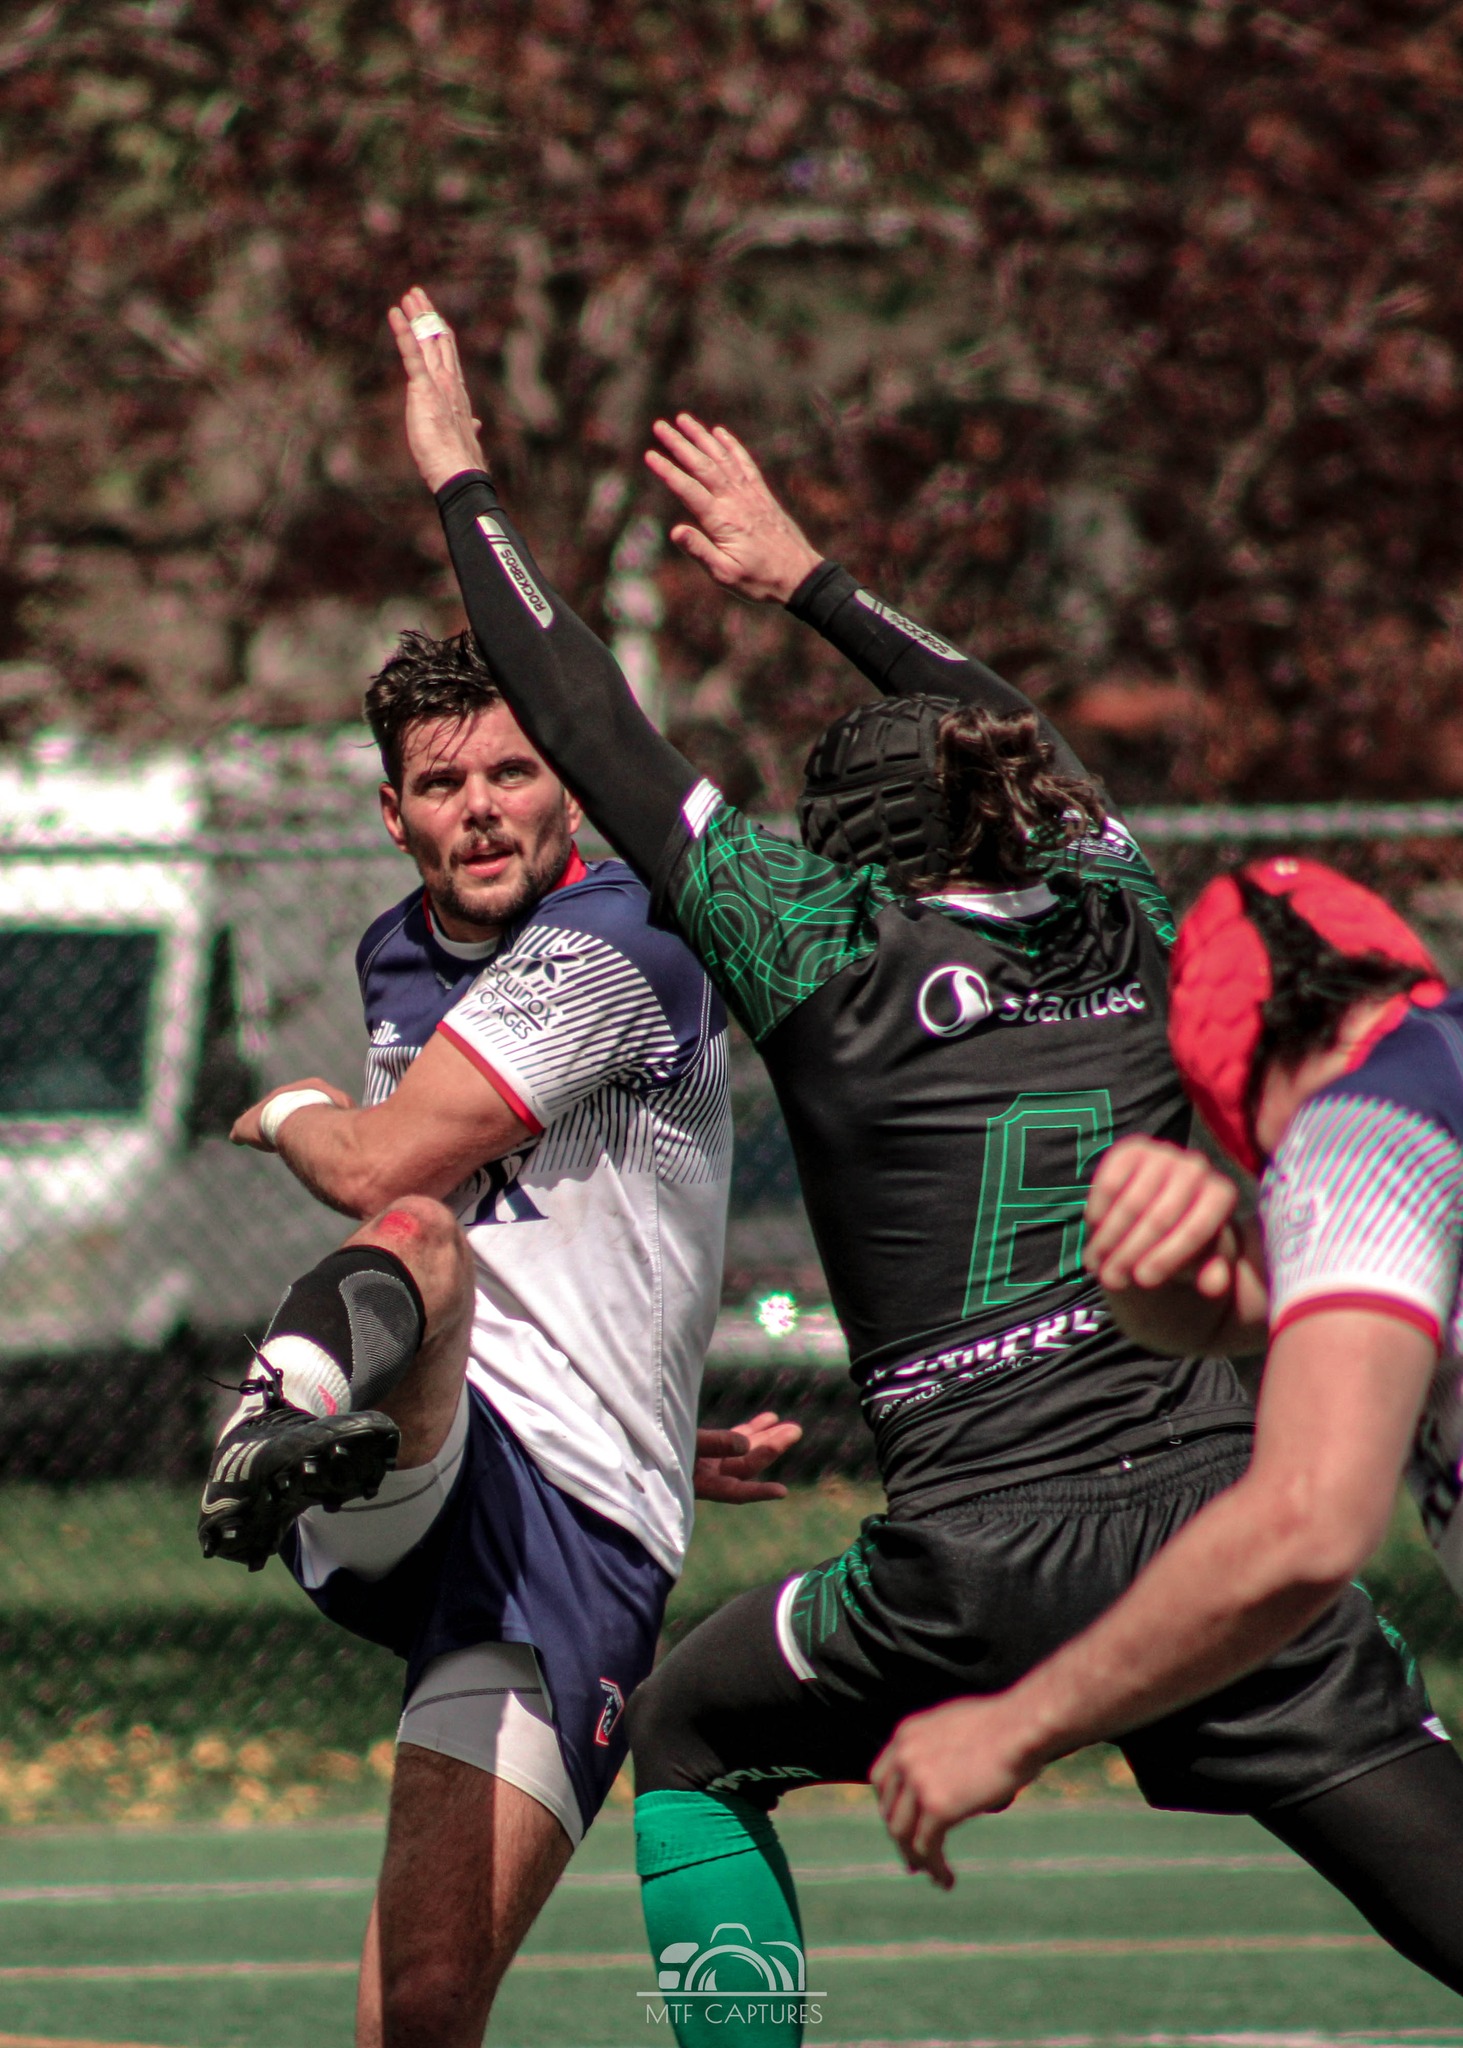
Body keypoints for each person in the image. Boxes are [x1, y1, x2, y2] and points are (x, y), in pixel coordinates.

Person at [389, 285, 1463, 2041]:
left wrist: (459, 481)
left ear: (847, 858)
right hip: (1218, 1528)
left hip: (971, 1570)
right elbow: (1016, 726)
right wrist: (810, 579)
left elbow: (584, 715)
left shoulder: (821, 954)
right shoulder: (1116, 905)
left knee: (695, 1730)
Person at [198, 626, 798, 2048]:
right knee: (418, 1232)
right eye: (440, 781)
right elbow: (445, 1208)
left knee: (418, 2011)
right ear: (390, 811)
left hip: (575, 1520)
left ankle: (287, 1413)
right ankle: (271, 1419)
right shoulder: (393, 953)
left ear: (570, 786)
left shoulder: (624, 934)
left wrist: (292, 1110)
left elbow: (369, 1155)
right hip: (435, 1450)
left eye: (513, 771)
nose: (480, 808)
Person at [873, 857, 1463, 1895]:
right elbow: (1238, 1303)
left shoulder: (1361, 1131)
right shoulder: (1437, 1078)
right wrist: (1140, 1276)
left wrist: (1015, 1725)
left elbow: (1304, 1522)